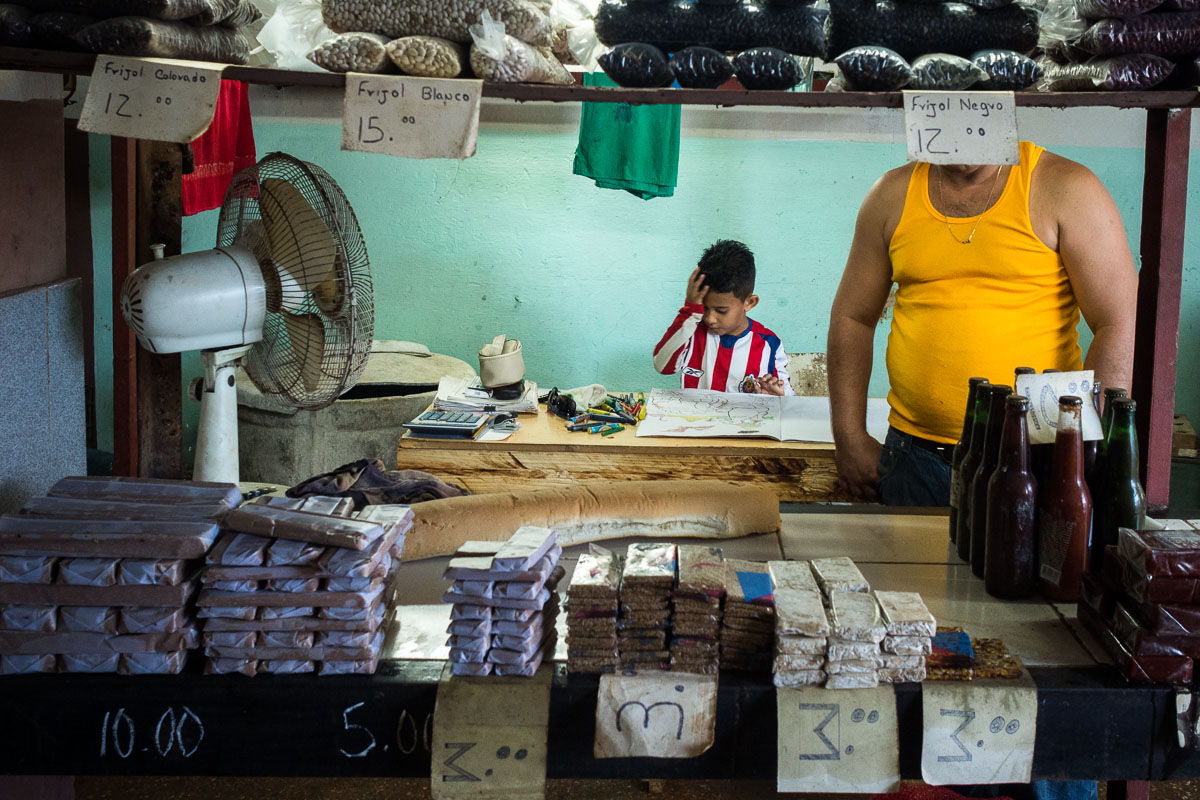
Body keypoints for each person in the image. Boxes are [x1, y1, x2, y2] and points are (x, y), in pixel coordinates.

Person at [828, 140, 1137, 506]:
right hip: (915, 458)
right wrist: (848, 437)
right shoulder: (891, 195)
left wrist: (1088, 452)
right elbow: (853, 318)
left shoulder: (1065, 187)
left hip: (1036, 460)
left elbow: (1118, 321)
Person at [654, 239, 793, 396]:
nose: (710, 319)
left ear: (749, 302)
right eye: (704, 308)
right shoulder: (691, 330)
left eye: (721, 310)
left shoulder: (769, 345)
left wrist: (777, 397)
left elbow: (788, 398)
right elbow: (662, 365)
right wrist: (690, 311)